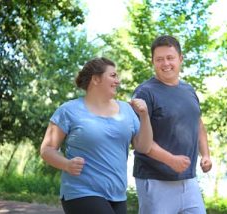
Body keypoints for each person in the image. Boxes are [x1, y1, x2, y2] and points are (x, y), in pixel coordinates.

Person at [40, 57, 153, 214]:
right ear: (96, 79)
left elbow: (144, 146)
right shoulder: (69, 110)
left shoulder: (127, 110)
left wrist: (145, 116)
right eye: (113, 76)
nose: (118, 81)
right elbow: (47, 150)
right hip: (81, 192)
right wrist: (66, 164)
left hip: (118, 195)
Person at [133, 35, 212, 214]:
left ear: (180, 59)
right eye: (159, 59)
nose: (165, 63)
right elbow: (138, 140)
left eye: (170, 58)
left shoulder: (188, 90)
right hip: (154, 181)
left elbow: (198, 124)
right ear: (153, 62)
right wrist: (170, 160)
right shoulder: (144, 93)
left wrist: (205, 154)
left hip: (189, 181)